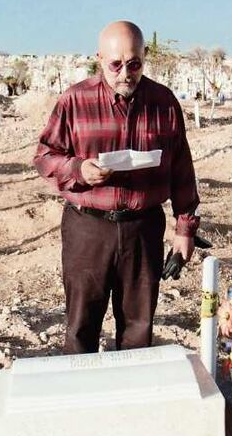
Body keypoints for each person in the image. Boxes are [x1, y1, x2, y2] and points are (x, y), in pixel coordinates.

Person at [33, 20, 200, 354]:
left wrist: (185, 230)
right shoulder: (74, 101)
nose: (126, 73)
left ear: (145, 56)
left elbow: (181, 168)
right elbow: (44, 156)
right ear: (99, 59)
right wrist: (79, 169)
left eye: (134, 63)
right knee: (81, 326)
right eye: (116, 64)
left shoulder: (164, 103)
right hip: (88, 229)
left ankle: (129, 401)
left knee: (138, 329)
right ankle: (82, 399)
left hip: (143, 229)